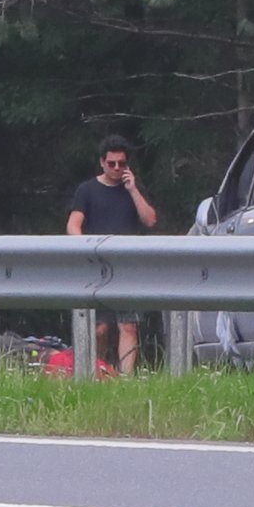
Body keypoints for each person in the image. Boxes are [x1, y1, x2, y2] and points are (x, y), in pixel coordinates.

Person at [66, 134, 157, 374]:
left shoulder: (134, 188)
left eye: (122, 164)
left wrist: (133, 190)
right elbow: (73, 223)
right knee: (100, 328)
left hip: (128, 266)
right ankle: (98, 370)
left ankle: (126, 377)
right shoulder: (87, 190)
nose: (117, 168)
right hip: (96, 265)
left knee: (128, 325)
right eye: (112, 163)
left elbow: (150, 220)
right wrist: (84, 247)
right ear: (102, 163)